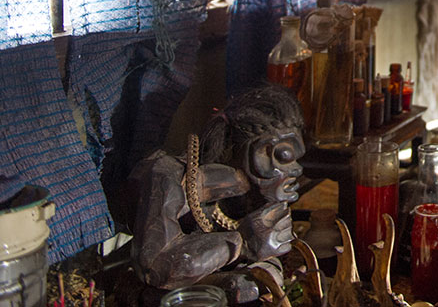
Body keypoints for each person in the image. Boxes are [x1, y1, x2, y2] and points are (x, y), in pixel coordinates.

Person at [128, 84, 305, 300]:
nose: (296, 169)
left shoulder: (258, 197)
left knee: (252, 286)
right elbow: (156, 266)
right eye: (283, 156)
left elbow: (265, 260)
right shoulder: (167, 176)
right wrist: (242, 242)